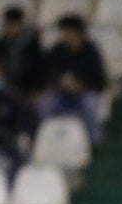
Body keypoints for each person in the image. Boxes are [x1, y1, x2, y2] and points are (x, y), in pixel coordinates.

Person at [40, 13, 106, 143]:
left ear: (78, 33)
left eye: (67, 32)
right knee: (46, 104)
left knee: (89, 104)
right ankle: (46, 139)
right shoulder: (57, 50)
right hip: (61, 93)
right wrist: (60, 83)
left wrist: (82, 85)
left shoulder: (91, 51)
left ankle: (93, 140)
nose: (64, 35)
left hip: (84, 92)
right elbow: (47, 73)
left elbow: (100, 81)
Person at [0, 5, 46, 96]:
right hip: (1, 87)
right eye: (8, 24)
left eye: (14, 24)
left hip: (26, 88)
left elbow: (39, 70)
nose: (10, 27)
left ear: (21, 24)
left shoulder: (33, 46)